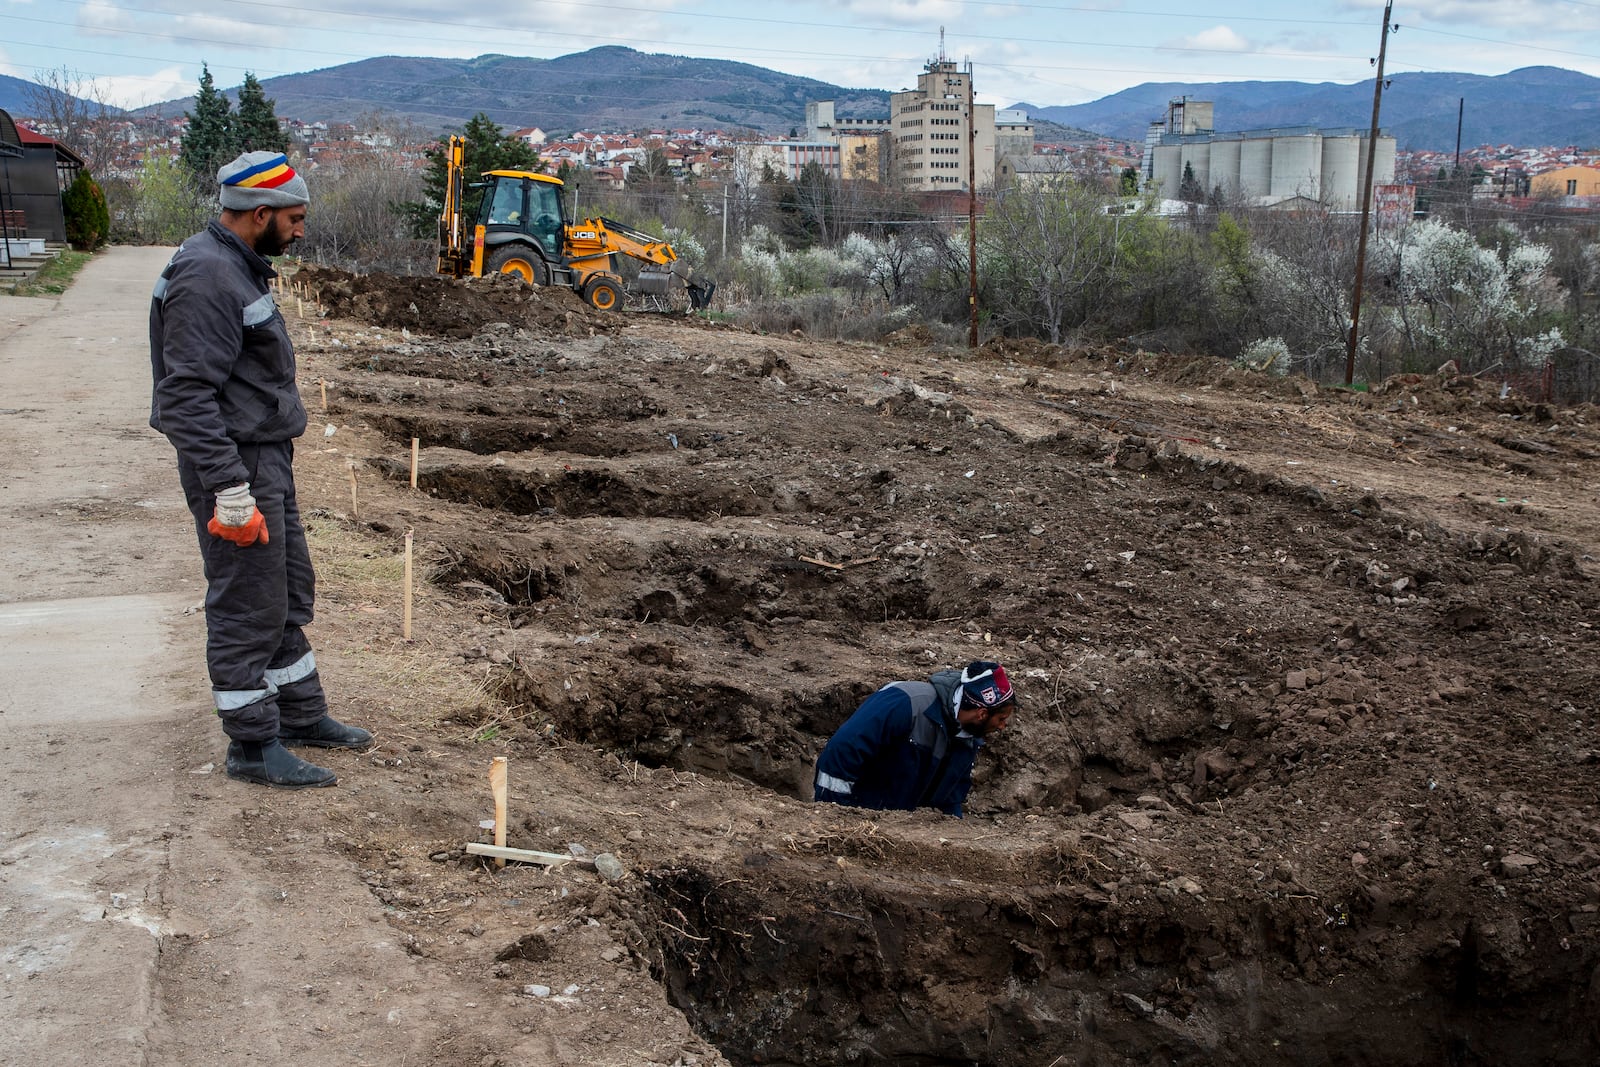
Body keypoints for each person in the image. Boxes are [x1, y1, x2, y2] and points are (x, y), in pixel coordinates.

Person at [149, 150, 372, 789]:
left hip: (263, 456)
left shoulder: (236, 266)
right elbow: (184, 394)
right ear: (261, 214)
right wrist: (228, 486)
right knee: (247, 600)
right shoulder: (208, 276)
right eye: (295, 219)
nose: (301, 231)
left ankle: (299, 714)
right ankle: (251, 745)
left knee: (282, 589)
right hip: (236, 466)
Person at [814, 660, 1016, 818]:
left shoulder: (968, 737)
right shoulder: (905, 703)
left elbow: (950, 800)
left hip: (896, 836)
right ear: (981, 714)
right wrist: (833, 813)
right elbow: (842, 752)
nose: (1002, 726)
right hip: (856, 821)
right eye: (1001, 719)